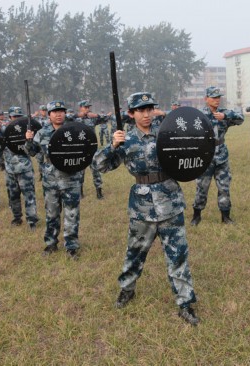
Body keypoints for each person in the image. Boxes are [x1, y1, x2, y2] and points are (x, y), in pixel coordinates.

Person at [93, 92, 200, 326]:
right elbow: (99, 166)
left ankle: (185, 302)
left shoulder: (167, 135)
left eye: (149, 109)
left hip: (170, 201)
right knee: (135, 252)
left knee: (178, 254)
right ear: (131, 114)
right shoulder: (126, 140)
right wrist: (112, 145)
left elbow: (191, 148)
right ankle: (127, 289)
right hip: (142, 207)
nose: (146, 114)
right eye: (140, 110)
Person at [26, 101, 82, 260]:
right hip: (50, 180)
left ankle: (71, 246)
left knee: (72, 214)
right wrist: (29, 141)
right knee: (52, 213)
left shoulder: (74, 130)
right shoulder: (42, 133)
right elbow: (32, 152)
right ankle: (51, 243)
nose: (58, 114)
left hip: (71, 178)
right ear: (48, 114)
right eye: (54, 111)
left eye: (61, 111)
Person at [190, 87, 244, 226]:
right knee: (202, 187)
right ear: (206, 98)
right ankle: (196, 216)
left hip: (222, 156)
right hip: (204, 156)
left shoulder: (224, 113)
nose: (216, 100)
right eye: (213, 97)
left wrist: (225, 117)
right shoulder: (198, 114)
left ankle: (225, 217)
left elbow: (241, 119)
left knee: (224, 187)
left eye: (218, 97)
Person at [0, 106, 39, 228]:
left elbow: (32, 151)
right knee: (13, 196)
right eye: (14, 117)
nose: (16, 119)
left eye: (19, 117)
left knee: (29, 195)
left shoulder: (28, 131)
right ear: (10, 117)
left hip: (25, 169)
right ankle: (17, 218)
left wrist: (29, 139)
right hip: (10, 170)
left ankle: (32, 221)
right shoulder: (4, 130)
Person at [73, 100, 109, 199]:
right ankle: (80, 192)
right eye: (85, 107)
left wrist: (96, 115)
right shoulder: (75, 119)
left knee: (96, 171)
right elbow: (65, 118)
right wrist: (77, 115)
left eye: (88, 107)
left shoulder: (92, 119)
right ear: (80, 108)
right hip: (80, 150)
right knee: (80, 172)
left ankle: (99, 193)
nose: (87, 109)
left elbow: (106, 118)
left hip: (92, 149)